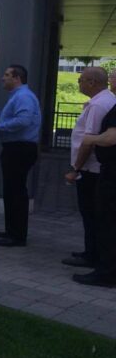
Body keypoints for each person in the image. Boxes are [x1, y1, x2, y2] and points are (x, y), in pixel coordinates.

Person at [62, 67, 116, 267]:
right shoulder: (104, 101)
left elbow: (88, 140)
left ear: (92, 82)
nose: (79, 83)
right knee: (94, 214)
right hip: (94, 168)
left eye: (81, 79)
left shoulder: (98, 105)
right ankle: (92, 251)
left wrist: (75, 168)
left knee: (91, 213)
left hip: (90, 170)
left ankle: (93, 255)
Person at [0, 64, 42, 247]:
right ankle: (11, 230)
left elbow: (23, 120)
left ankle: (17, 235)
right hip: (16, 148)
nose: (3, 78)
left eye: (6, 75)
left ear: (17, 78)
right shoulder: (18, 96)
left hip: (19, 149)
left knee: (16, 191)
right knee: (11, 190)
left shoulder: (23, 97)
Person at [75, 104, 116, 287]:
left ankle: (106, 273)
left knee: (107, 222)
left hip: (112, 173)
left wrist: (90, 139)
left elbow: (111, 138)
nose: (112, 78)